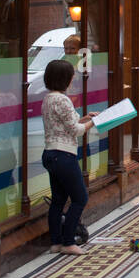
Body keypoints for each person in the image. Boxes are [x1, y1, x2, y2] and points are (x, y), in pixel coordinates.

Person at [41, 58, 99, 255]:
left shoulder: (49, 98)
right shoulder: (63, 100)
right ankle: (68, 242)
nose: (73, 80)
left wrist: (86, 117)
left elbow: (66, 124)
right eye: (71, 77)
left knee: (58, 199)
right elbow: (75, 130)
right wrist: (95, 122)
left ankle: (56, 242)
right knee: (80, 198)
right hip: (64, 154)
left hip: (50, 153)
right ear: (63, 78)